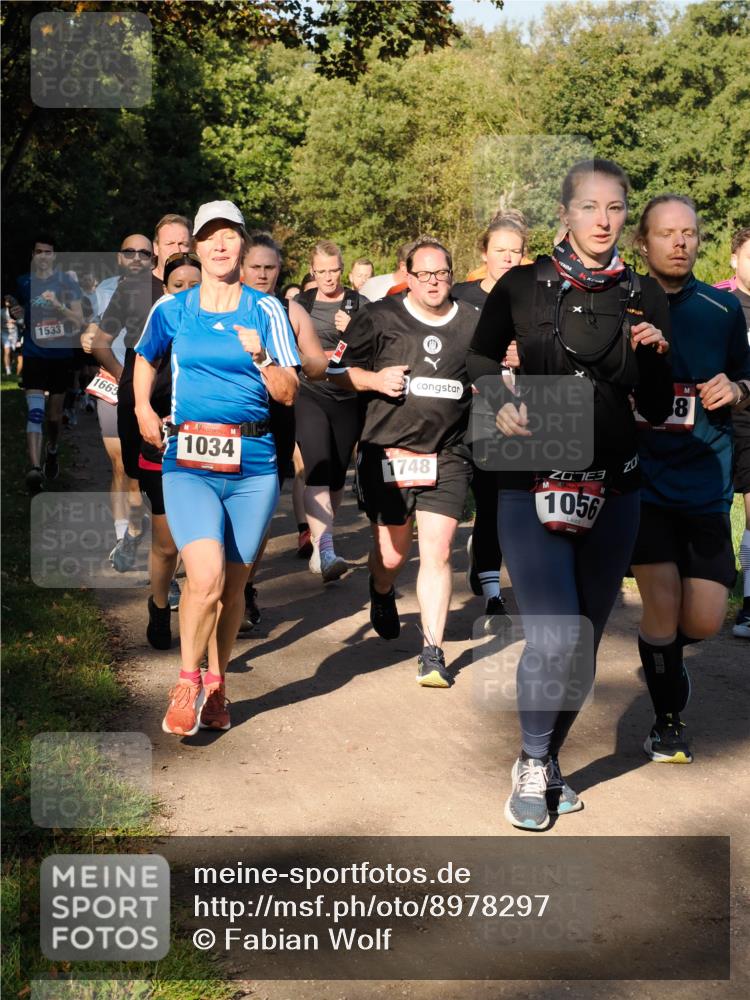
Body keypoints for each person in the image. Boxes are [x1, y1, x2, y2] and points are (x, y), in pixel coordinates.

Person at [466, 159, 674, 830]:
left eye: (615, 207)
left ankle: (548, 757)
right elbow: (477, 357)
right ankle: (531, 763)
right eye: (589, 206)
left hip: (616, 483)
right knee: (555, 634)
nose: (603, 220)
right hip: (533, 472)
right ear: (565, 214)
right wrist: (496, 398)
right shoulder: (523, 285)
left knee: (581, 642)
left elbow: (657, 404)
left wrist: (657, 356)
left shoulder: (645, 294)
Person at [134, 201, 300, 736]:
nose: (220, 245)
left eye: (230, 236)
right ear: (196, 247)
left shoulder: (266, 310)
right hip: (189, 461)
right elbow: (144, 357)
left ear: (242, 245)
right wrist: (142, 408)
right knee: (203, 578)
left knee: (231, 590)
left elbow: (289, 392)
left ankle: (218, 683)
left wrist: (263, 357)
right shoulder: (173, 308)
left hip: (253, 466)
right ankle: (187, 682)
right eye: (210, 237)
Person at [631, 197, 750, 763]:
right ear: (643, 243)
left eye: (689, 233)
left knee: (702, 619)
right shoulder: (621, 305)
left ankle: (667, 659)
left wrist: (738, 388)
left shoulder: (723, 309)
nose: (679, 243)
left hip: (706, 480)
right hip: (642, 480)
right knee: (659, 604)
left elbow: (747, 378)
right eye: (666, 233)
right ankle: (667, 722)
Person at [331, 236, 480, 685]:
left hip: (447, 453)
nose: (433, 282)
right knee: (394, 554)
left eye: (441, 274)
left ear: (451, 276)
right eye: (424, 274)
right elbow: (335, 371)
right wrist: (374, 380)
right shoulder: (379, 316)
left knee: (438, 550)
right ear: (407, 276)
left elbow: (496, 371)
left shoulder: (473, 322)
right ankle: (381, 588)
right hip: (388, 450)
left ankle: (432, 652)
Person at [92, 215, 191, 646]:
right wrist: (129, 381)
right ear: (156, 248)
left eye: (185, 242)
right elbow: (100, 342)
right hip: (146, 413)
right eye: (170, 244)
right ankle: (160, 582)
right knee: (153, 498)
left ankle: (184, 586)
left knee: (187, 506)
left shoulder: (208, 292)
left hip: (195, 417)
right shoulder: (135, 289)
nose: (178, 250)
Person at [239, 232, 327, 629]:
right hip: (227, 419)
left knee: (259, 513)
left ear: (279, 270)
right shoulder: (224, 305)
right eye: (255, 266)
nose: (262, 274)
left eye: (269, 267)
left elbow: (317, 363)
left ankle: (244, 587)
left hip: (277, 416)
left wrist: (294, 361)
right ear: (241, 268)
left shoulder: (290, 311)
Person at [453, 213, 529, 629]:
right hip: (461, 410)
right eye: (500, 250)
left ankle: (492, 594)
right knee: (476, 500)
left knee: (495, 501)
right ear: (484, 253)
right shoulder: (460, 296)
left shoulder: (534, 296)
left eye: (515, 251)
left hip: (509, 411)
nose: (508, 258)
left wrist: (525, 356)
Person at [81, 234, 157, 572]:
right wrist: (87, 335)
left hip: (152, 385)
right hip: (113, 381)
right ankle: (122, 537)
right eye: (130, 252)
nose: (137, 257)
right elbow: (96, 325)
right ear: (119, 257)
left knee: (149, 469)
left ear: (154, 258)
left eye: (144, 252)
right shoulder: (106, 288)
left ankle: (151, 533)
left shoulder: (163, 288)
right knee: (122, 466)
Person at [294, 241, 366, 581]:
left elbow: (373, 350)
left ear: (342, 269)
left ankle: (322, 539)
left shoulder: (359, 304)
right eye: (321, 271)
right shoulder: (300, 304)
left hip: (347, 396)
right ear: (312, 271)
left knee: (336, 476)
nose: (328, 277)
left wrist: (353, 329)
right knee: (318, 467)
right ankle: (325, 549)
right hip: (309, 394)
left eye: (333, 270)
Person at [14, 238, 84, 492]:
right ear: (32, 255)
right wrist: (17, 311)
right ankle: (34, 469)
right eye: (39, 252)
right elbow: (20, 309)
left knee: (54, 418)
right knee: (36, 413)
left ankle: (52, 449)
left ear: (54, 256)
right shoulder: (24, 282)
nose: (43, 256)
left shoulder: (67, 283)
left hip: (60, 357)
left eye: (48, 252)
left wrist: (58, 305)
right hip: (34, 354)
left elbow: (79, 320)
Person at [715, 226, 750, 638]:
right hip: (721, 421)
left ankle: (747, 608)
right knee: (717, 510)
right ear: (734, 260)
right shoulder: (718, 305)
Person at [2, 294, 22, 375]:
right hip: (5, 334)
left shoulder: (17, 311)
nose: (8, 302)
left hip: (15, 334)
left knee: (14, 353)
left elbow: (22, 321)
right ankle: (8, 371)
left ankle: (14, 368)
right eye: (6, 301)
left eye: (9, 301)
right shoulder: (1, 312)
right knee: (7, 351)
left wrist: (15, 321)